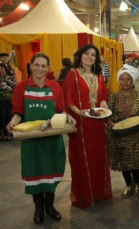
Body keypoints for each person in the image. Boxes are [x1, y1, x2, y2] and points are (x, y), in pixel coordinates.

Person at [6, 53, 76, 224]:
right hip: (31, 140)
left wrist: (68, 117)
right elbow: (18, 112)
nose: (39, 69)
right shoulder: (21, 87)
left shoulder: (55, 87)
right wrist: (12, 122)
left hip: (52, 139)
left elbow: (60, 110)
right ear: (31, 66)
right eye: (36, 65)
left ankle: (50, 206)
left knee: (51, 173)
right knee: (35, 173)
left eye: (43, 65)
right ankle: (38, 207)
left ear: (48, 68)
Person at [63, 44, 113, 208]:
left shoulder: (98, 76)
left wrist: (104, 104)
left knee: (98, 159)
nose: (89, 57)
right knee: (83, 159)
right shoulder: (73, 74)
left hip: (98, 123)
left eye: (93, 55)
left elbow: (103, 96)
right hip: (82, 124)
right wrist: (80, 113)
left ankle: (98, 193)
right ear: (80, 55)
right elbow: (68, 99)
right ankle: (85, 196)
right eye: (86, 53)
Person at [107, 64, 139, 198]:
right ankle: (128, 185)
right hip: (120, 136)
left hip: (136, 135)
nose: (125, 82)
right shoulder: (113, 97)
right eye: (122, 79)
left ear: (132, 81)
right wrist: (110, 122)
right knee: (124, 162)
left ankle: (137, 184)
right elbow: (108, 114)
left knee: (136, 161)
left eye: (128, 79)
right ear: (118, 81)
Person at [0, 63, 16, 141]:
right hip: (0, 101)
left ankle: (9, 134)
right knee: (1, 117)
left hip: (10, 100)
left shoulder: (10, 78)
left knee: (10, 116)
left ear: (6, 70)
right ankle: (2, 135)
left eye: (2, 69)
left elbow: (15, 87)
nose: (1, 71)